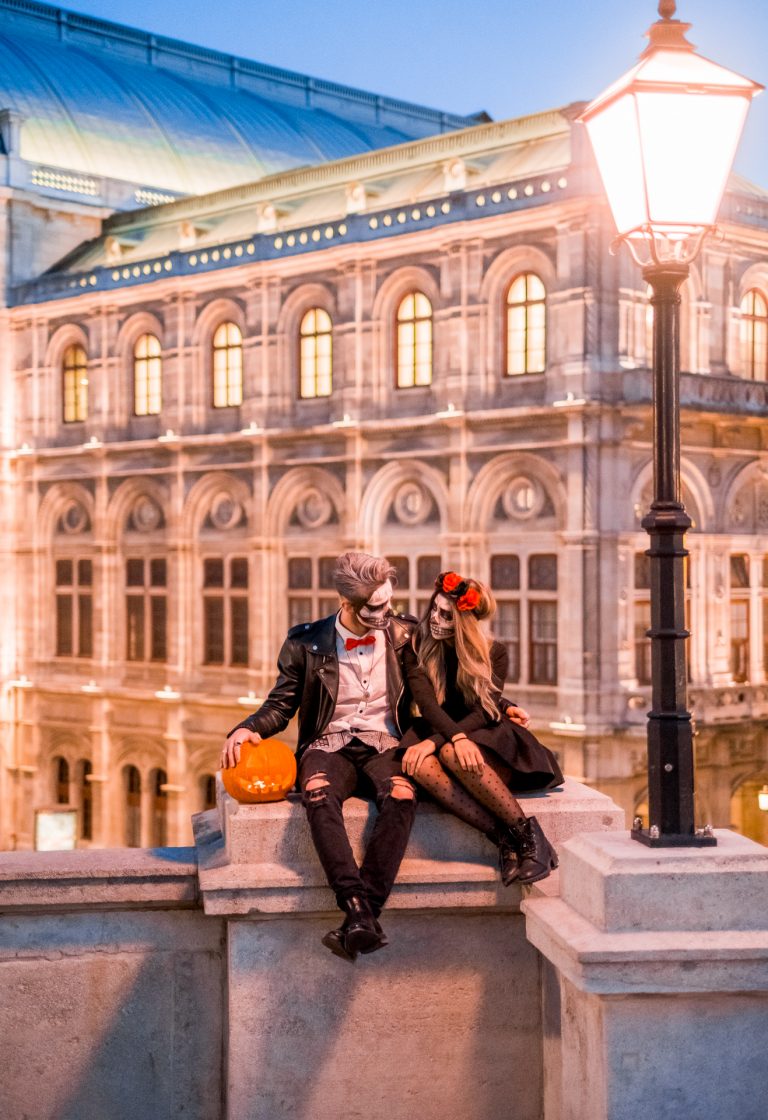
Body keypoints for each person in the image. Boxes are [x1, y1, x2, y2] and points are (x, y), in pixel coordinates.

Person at [221, 552, 419, 962]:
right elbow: (282, 704)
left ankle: (362, 917)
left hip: (386, 742)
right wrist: (248, 728)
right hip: (328, 743)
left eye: (389, 603)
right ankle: (355, 903)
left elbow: (448, 686)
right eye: (376, 607)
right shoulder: (305, 642)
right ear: (347, 604)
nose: (387, 613)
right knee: (317, 792)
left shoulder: (406, 636)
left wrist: (500, 704)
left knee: (401, 795)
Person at [400, 571, 563, 885]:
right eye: (433, 609)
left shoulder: (494, 653)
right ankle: (505, 839)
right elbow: (429, 706)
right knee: (420, 765)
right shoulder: (417, 647)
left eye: (445, 615)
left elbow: (485, 709)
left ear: (464, 621)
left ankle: (530, 837)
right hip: (441, 726)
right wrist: (445, 739)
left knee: (451, 752)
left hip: (481, 730)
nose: (434, 619)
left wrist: (453, 739)